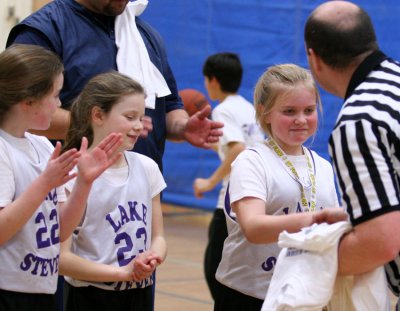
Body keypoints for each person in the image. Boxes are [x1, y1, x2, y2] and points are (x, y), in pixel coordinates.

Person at [6, 0, 223, 171]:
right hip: (69, 188)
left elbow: (169, 106)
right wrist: (100, 125)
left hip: (138, 193)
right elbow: (17, 112)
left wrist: (182, 127)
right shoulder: (43, 31)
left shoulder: (147, 36)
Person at [213, 64, 347, 311]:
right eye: (289, 111)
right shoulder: (252, 160)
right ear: (265, 113)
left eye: (309, 110)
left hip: (304, 296)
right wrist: (316, 219)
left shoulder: (323, 166)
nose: (301, 120)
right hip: (250, 295)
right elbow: (254, 228)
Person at [0, 44, 123, 311]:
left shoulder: (43, 145)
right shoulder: (2, 150)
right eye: (55, 96)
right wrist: (44, 183)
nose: (59, 104)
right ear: (28, 100)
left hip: (44, 285)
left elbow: (61, 232)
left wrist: (83, 183)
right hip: (7, 290)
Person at [304, 1, 400, 308]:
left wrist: (302, 267)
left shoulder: (358, 121)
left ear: (314, 59)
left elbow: (380, 244)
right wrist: (361, 213)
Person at [58, 71, 167, 311]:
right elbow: (61, 259)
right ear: (98, 115)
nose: (138, 126)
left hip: (140, 291)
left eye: (142, 117)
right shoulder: (71, 173)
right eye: (130, 117)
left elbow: (158, 237)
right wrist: (121, 273)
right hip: (90, 296)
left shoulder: (147, 167)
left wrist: (152, 258)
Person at [193, 52, 264, 300]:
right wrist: (214, 145)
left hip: (231, 199)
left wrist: (209, 182)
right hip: (256, 197)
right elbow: (240, 146)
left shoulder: (222, 110)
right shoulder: (248, 107)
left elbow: (237, 149)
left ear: (213, 80)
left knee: (215, 268)